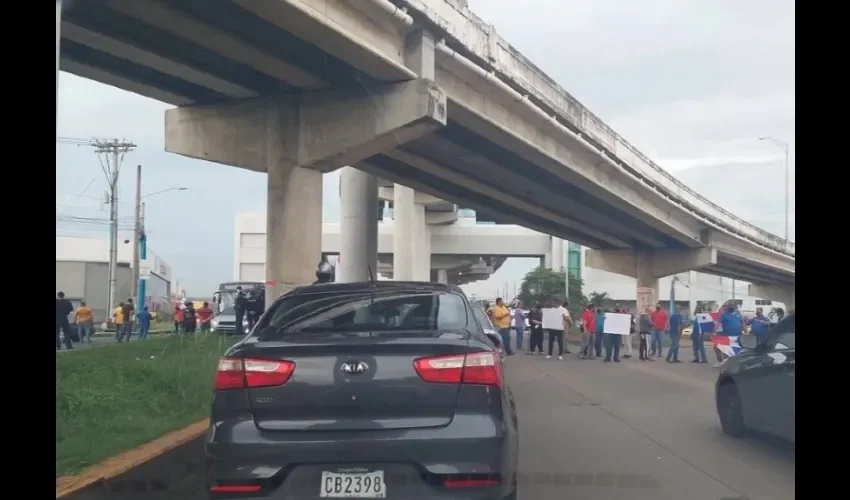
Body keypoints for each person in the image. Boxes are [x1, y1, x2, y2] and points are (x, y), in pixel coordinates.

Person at [714, 303, 743, 367]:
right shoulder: (724, 315)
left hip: (737, 335)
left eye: (733, 306)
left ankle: (733, 362)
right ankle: (721, 361)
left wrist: (746, 332)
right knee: (717, 347)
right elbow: (718, 323)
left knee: (737, 349)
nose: (731, 307)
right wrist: (714, 331)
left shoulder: (738, 314)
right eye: (729, 306)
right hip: (727, 335)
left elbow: (743, 323)